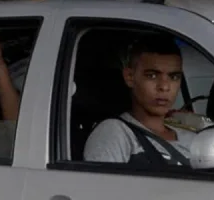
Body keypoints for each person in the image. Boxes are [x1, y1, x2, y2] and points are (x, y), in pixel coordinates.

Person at [83, 35, 196, 165]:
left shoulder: (192, 139)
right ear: (130, 77)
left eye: (174, 77)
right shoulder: (114, 133)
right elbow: (99, 185)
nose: (164, 87)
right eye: (152, 76)